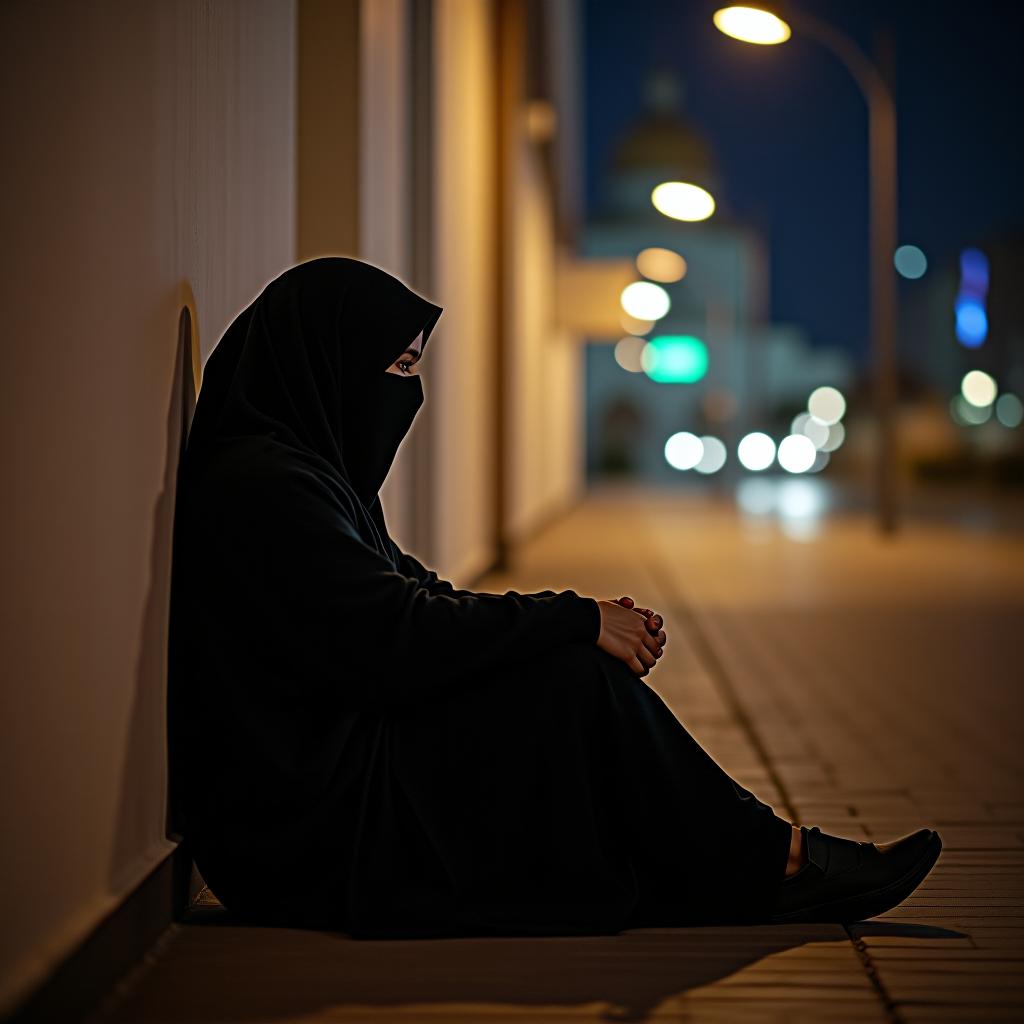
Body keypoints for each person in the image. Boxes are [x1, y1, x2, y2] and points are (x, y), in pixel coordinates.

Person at [167, 257, 941, 939]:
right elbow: (391, 638)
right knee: (569, 684)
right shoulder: (266, 490)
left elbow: (413, 594)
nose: (410, 393)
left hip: (340, 777)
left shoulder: (309, 476)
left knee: (563, 675)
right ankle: (781, 860)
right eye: (397, 369)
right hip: (305, 830)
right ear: (325, 363)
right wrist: (571, 619)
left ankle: (753, 860)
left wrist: (570, 620)